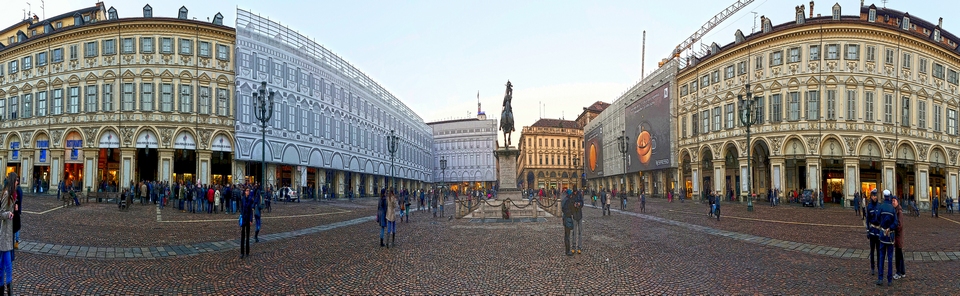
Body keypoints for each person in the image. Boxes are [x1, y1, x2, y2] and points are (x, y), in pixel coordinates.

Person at [875, 190, 898, 286]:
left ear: (884, 197)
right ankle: (889, 279)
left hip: (882, 235)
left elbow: (877, 218)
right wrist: (890, 228)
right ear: (890, 197)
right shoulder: (892, 209)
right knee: (890, 258)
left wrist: (883, 225)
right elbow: (896, 223)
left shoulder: (881, 207)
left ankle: (880, 278)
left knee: (881, 257)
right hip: (890, 236)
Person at [0, 173, 18, 295]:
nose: (18, 182)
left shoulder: (12, 195)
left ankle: (3, 287)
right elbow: (1, 213)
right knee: (7, 265)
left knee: (3, 265)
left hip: (8, 234)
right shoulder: (6, 194)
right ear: (12, 181)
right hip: (4, 234)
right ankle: (8, 289)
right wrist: (9, 214)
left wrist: (14, 211)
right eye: (17, 180)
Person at [866, 189, 880, 276]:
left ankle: (879, 267)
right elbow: (867, 219)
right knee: (872, 251)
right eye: (874, 196)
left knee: (879, 251)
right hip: (872, 231)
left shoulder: (879, 206)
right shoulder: (869, 206)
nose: (875, 197)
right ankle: (872, 267)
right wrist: (867, 230)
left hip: (878, 231)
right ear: (871, 197)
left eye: (876, 196)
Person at [892, 197, 906, 280]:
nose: (893, 202)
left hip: (898, 237)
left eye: (894, 201)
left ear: (897, 202)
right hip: (897, 237)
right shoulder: (896, 210)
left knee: (898, 255)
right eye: (892, 201)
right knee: (900, 254)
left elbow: (899, 225)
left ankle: (898, 272)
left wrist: (892, 228)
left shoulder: (899, 212)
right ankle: (903, 271)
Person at [239, 188, 254, 259]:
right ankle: (242, 252)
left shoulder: (250, 200)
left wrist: (251, 220)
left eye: (248, 191)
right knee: (242, 236)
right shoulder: (243, 199)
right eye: (247, 190)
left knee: (247, 236)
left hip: (248, 219)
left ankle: (247, 252)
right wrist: (241, 216)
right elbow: (241, 209)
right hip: (244, 219)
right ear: (245, 192)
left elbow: (251, 211)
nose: (247, 192)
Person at [561, 192, 574, 256]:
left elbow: (563, 208)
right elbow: (567, 210)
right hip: (567, 218)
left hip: (565, 218)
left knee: (566, 234)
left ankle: (567, 250)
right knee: (567, 235)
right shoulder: (568, 201)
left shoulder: (564, 199)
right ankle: (568, 250)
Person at [572, 189, 583, 254]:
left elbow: (582, 203)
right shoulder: (572, 196)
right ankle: (573, 247)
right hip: (574, 215)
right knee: (574, 232)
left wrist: (579, 204)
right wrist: (573, 205)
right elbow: (570, 204)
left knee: (580, 232)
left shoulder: (580, 195)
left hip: (579, 215)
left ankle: (579, 247)